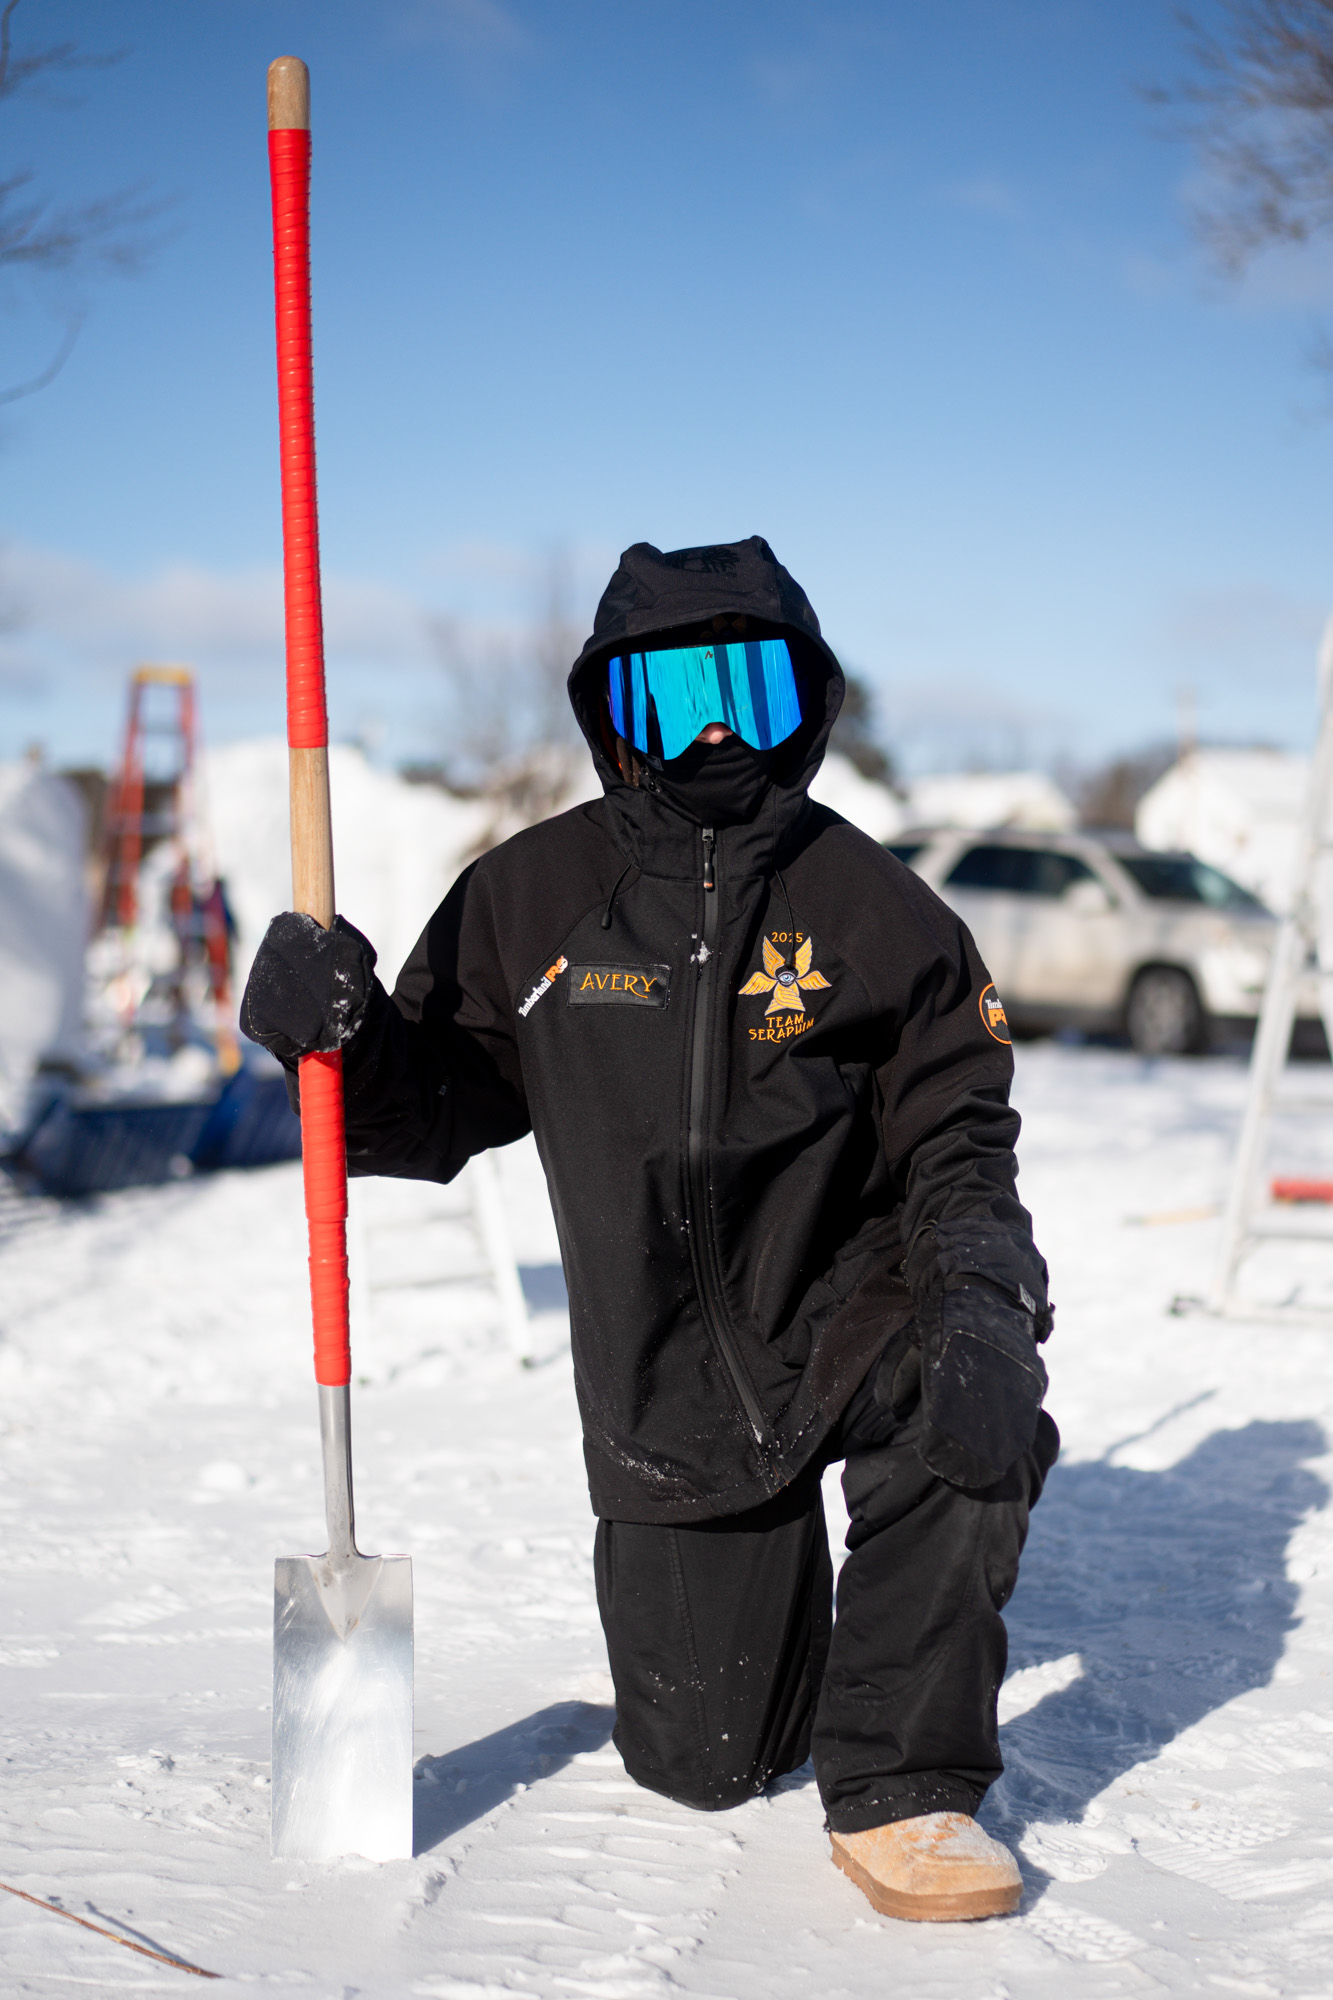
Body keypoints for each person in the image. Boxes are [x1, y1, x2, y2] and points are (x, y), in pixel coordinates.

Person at [242, 536, 1058, 1923]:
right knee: (708, 1767)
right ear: (613, 712)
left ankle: (905, 1787)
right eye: (677, 697)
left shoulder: (875, 908)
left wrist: (985, 1294)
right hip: (664, 1379)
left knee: (965, 1407)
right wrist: (342, 1041)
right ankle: (787, 1612)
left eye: (749, 687)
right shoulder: (531, 897)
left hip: (849, 1310)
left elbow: (958, 1134)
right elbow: (427, 1112)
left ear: (806, 699)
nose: (718, 730)